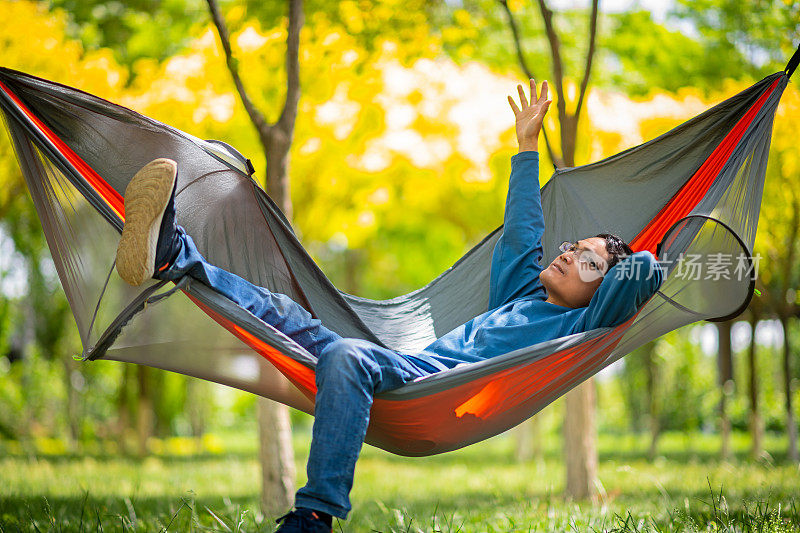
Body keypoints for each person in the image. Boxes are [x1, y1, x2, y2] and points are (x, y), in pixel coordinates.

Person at [115, 79, 663, 532]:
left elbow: (638, 274)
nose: (568, 255)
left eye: (588, 262)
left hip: (438, 391)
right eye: (571, 247)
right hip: (409, 369)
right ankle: (175, 258)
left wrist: (659, 252)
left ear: (603, 291)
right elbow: (524, 227)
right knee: (286, 316)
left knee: (348, 357)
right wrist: (525, 148)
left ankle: (313, 517)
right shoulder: (522, 291)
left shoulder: (583, 323)